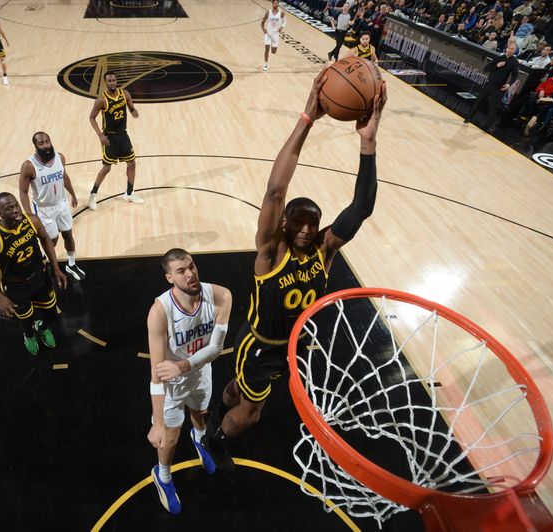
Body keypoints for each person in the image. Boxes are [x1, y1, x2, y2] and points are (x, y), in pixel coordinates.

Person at [202, 68, 386, 471]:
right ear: (283, 223)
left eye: (312, 222)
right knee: (251, 414)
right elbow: (274, 190)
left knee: (238, 393)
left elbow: (362, 208)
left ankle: (219, 410)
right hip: (262, 346)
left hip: (291, 346)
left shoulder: (324, 249)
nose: (305, 229)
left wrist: (368, 143)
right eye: (297, 221)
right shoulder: (270, 251)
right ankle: (213, 441)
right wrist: (306, 120)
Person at [147, 248, 232, 514]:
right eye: (181, 271)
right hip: (172, 386)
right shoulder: (160, 312)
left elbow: (216, 349)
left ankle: (199, 439)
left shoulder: (220, 296)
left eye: (191, 266)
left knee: (200, 414)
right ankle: (163, 476)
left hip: (199, 371)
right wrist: (158, 422)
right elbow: (157, 374)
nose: (190, 274)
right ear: (169, 278)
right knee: (169, 438)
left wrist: (184, 364)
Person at [0, 193, 68, 355]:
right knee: (26, 318)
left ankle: (42, 328)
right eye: (9, 209)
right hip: (16, 286)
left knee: (51, 312)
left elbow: (45, 238)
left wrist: (56, 268)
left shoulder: (32, 220)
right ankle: (29, 335)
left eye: (16, 205)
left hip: (40, 276)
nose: (16, 210)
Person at [19, 131, 86, 282]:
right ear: (35, 146)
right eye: (41, 143)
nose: (45, 145)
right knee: (52, 240)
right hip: (44, 209)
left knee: (68, 234)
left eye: (47, 141)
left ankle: (71, 264)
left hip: (61, 203)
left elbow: (65, 177)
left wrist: (73, 194)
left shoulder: (60, 157)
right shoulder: (29, 166)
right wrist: (29, 214)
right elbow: (23, 192)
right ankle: (43, 261)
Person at [87, 71, 142, 210]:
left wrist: (133, 110)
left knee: (132, 163)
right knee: (106, 168)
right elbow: (91, 118)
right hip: (109, 137)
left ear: (116, 81)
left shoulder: (125, 94)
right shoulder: (101, 100)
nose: (112, 83)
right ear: (105, 82)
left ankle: (129, 193)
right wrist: (100, 135)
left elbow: (130, 105)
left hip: (123, 135)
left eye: (113, 80)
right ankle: (93, 195)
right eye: (109, 81)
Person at [463, 41, 518, 133]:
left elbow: (515, 75)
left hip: (499, 87)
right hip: (489, 84)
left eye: (512, 49)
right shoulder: (499, 58)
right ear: (506, 48)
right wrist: (497, 65)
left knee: (493, 107)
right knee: (479, 101)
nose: (510, 50)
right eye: (509, 48)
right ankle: (468, 118)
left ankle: (489, 126)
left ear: (514, 51)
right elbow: (486, 69)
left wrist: (509, 84)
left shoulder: (514, 62)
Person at [261, 0, 286, 72]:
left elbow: (285, 22)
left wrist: (281, 27)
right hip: (268, 33)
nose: (275, 4)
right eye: (274, 3)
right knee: (267, 49)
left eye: (277, 3)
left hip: (275, 34)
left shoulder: (281, 13)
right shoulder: (268, 12)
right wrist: (263, 30)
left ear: (278, 4)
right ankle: (265, 64)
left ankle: (273, 47)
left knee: (273, 51)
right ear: (272, 4)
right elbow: (262, 23)